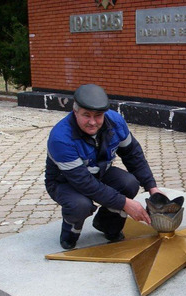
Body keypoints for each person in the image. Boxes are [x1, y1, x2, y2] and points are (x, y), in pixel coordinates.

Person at [45, 84, 162, 249]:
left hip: (99, 172)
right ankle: (70, 231)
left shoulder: (116, 122)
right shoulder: (61, 138)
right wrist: (124, 203)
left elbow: (133, 155)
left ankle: (107, 225)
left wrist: (152, 188)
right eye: (86, 115)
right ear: (75, 111)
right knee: (81, 205)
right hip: (65, 182)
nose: (93, 122)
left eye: (98, 116)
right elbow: (84, 183)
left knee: (129, 183)